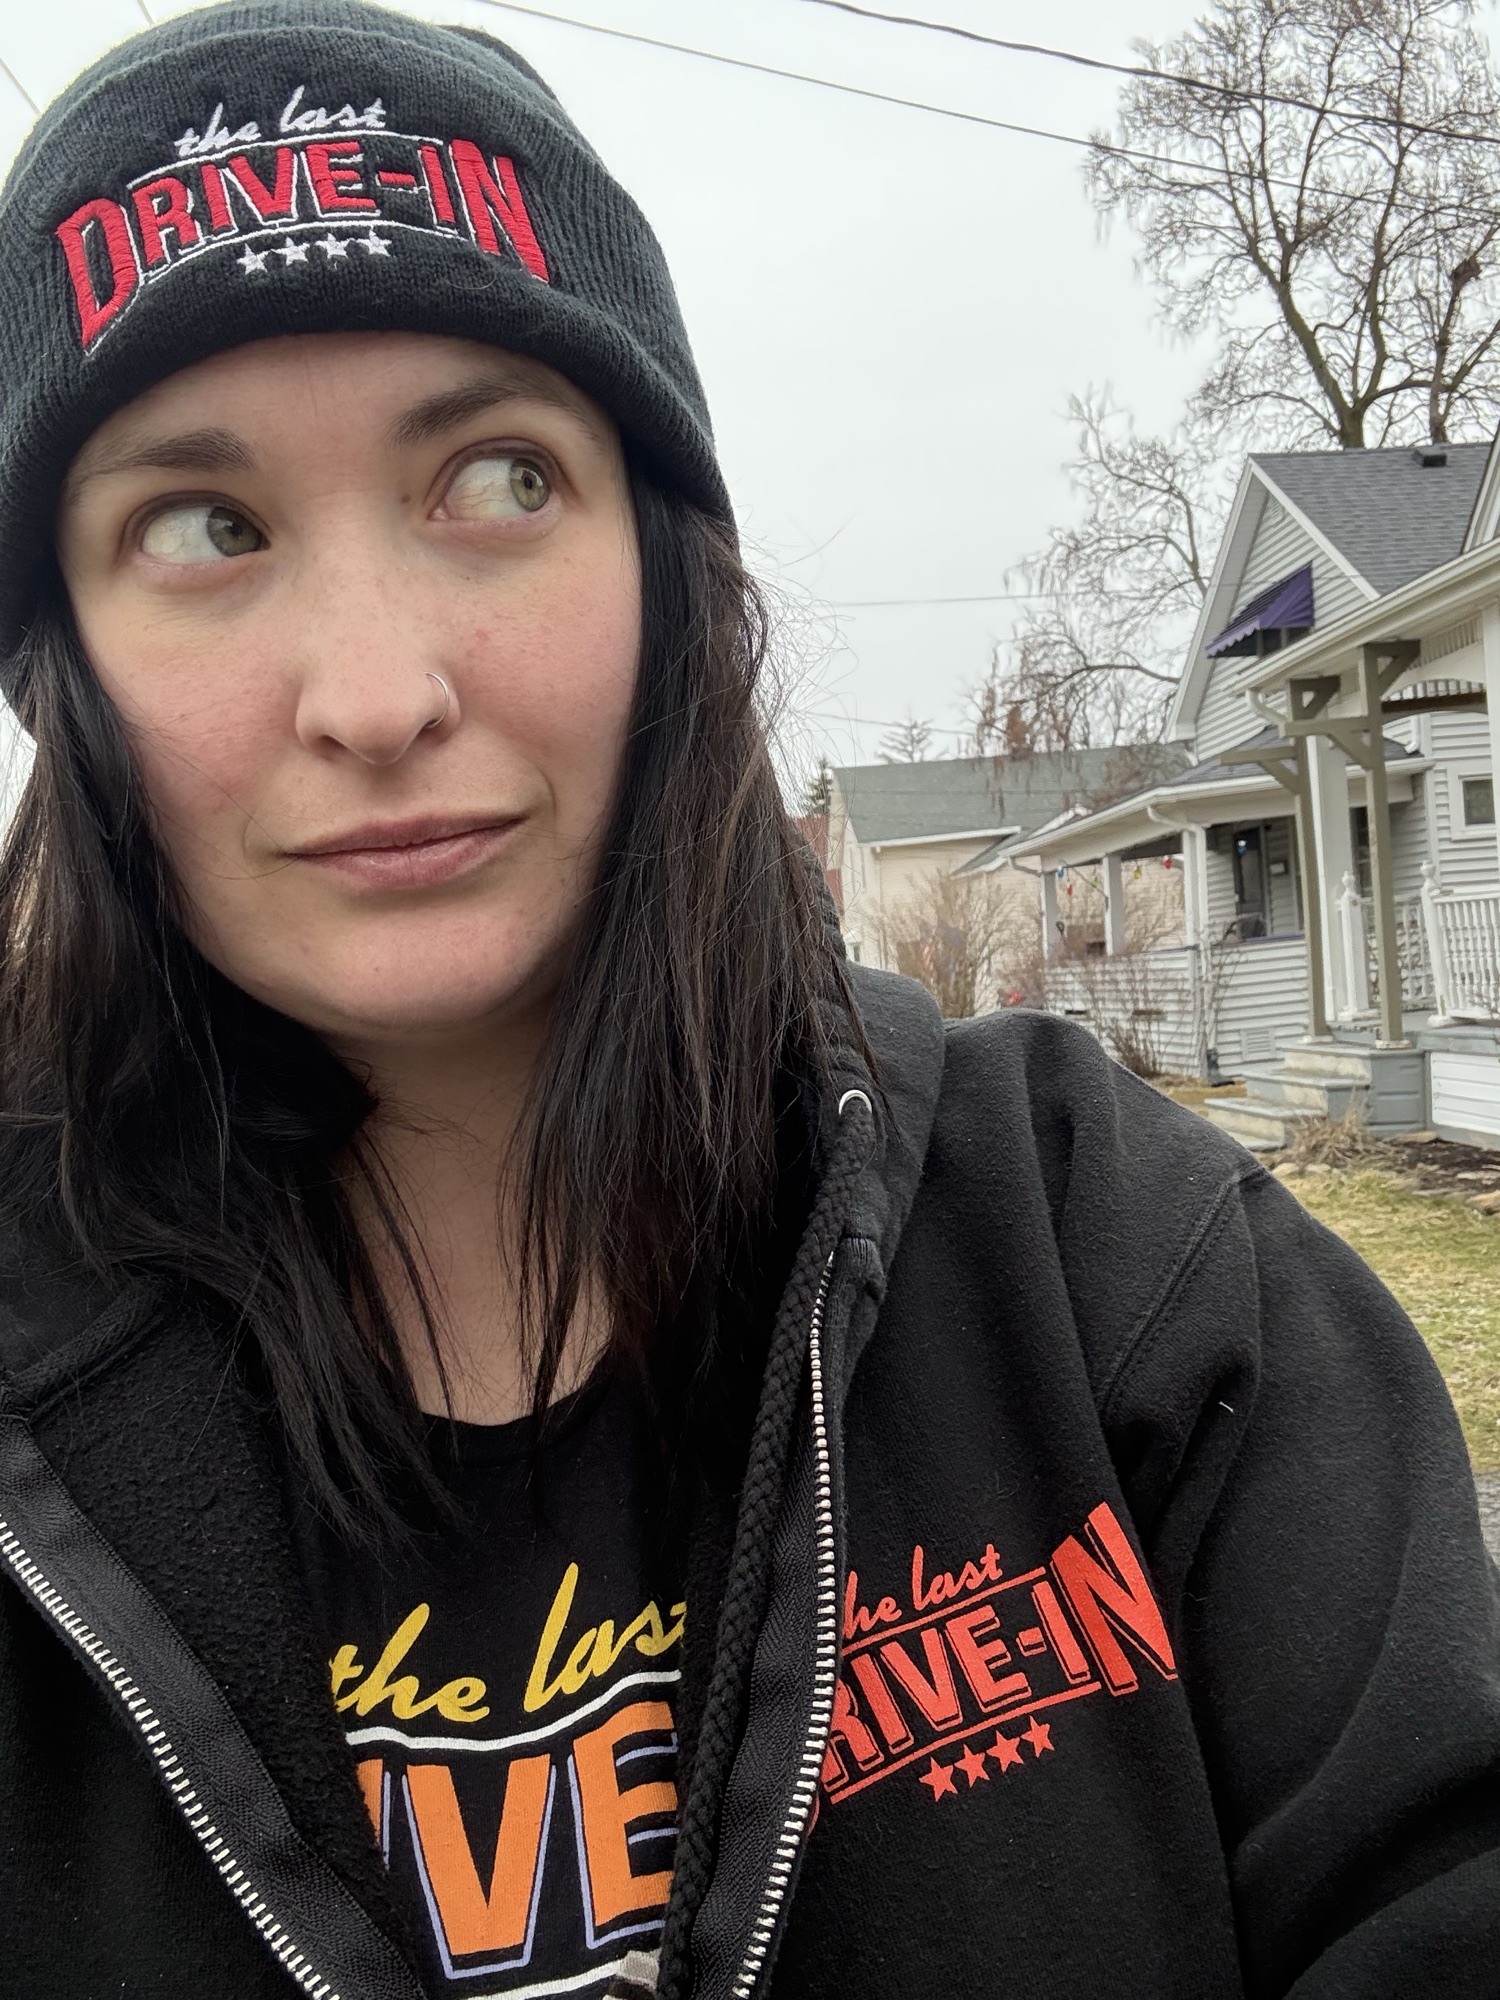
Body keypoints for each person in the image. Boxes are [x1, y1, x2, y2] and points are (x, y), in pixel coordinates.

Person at [0, 4, 1495, 1996]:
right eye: (205, 528)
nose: (376, 695)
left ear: (667, 564)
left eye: (497, 477)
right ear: (62, 669)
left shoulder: (1112, 1267)